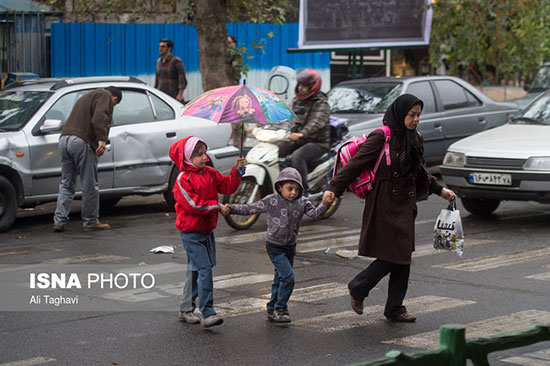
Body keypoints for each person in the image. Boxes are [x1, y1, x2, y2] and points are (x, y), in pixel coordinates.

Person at [323, 94, 456, 322]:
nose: (415, 119)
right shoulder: (381, 137)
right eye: (411, 115)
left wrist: (439, 190)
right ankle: (359, 287)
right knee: (395, 255)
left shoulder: (415, 139)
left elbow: (420, 170)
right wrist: (333, 187)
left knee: (402, 255)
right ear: (399, 113)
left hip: (406, 203)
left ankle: (394, 307)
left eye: (418, 115)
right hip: (384, 202)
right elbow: (356, 164)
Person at [220, 167, 332, 323]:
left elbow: (315, 214)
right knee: (288, 277)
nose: (293, 192)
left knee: (280, 278)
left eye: (296, 189)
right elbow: (250, 208)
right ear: (280, 187)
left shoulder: (302, 202)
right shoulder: (271, 200)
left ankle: (272, 308)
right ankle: (281, 308)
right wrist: (231, 208)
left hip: (290, 246)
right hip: (274, 246)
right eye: (289, 188)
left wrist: (325, 204)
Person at [169, 136, 245, 328]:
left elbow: (228, 185)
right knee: (204, 270)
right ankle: (208, 312)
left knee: (194, 270)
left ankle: (185, 309)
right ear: (187, 157)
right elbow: (194, 205)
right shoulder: (182, 179)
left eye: (204, 153)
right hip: (191, 233)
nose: (204, 157)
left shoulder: (210, 172)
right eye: (198, 154)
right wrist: (217, 206)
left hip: (206, 231)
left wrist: (237, 170)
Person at [53, 87, 122, 232]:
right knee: (89, 183)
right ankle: (91, 221)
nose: (111, 107)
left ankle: (59, 221)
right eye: (113, 106)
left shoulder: (87, 96)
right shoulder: (105, 96)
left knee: (66, 183)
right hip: (81, 142)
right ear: (114, 99)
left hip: (64, 139)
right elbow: (100, 117)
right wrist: (102, 139)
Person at [275, 68, 331, 196]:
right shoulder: (296, 101)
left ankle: (302, 191)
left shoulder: (321, 103)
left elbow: (316, 122)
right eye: (299, 84)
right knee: (278, 147)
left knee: (298, 156)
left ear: (313, 86)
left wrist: (302, 133)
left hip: (318, 143)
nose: (300, 88)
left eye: (304, 86)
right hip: (299, 139)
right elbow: (285, 116)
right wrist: (262, 126)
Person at [226, 35, 245, 148]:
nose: (227, 46)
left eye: (229, 43)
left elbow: (236, 71)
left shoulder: (236, 55)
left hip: (232, 87)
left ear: (234, 44)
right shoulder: (225, 55)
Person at [154, 38, 187, 103]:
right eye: (159, 46)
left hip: (173, 95)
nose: (160, 49)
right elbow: (157, 80)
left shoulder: (176, 61)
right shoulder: (158, 61)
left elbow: (182, 79)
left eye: (163, 47)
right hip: (161, 95)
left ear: (169, 48)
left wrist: (180, 94)